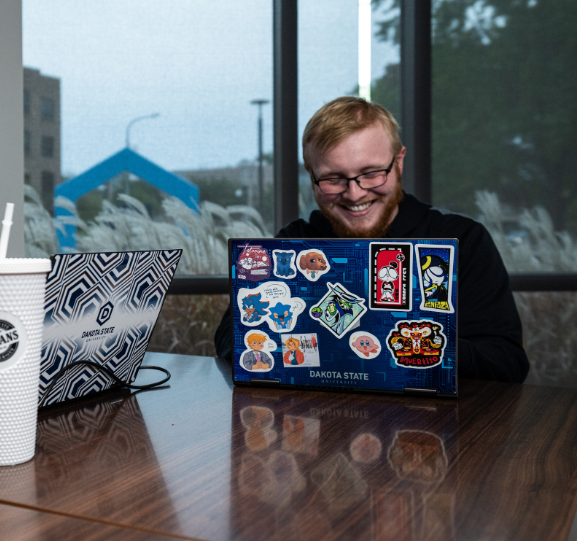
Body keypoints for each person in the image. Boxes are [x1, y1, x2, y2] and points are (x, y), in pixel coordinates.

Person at [215, 97, 529, 383]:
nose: (355, 193)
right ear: (311, 176)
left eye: (371, 173)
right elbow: (231, 337)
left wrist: (428, 346)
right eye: (333, 178)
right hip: (317, 418)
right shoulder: (294, 243)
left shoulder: (462, 240)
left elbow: (508, 363)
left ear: (399, 162)